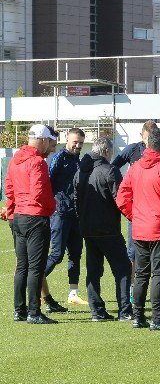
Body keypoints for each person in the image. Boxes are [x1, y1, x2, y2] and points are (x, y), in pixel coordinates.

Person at [116, 128, 160, 331]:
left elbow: (121, 198)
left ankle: (138, 317)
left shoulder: (135, 168)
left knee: (142, 274)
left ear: (147, 145)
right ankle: (157, 319)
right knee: (159, 274)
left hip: (141, 229)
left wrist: (134, 216)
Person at [74, 137, 132, 322]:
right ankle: (125, 310)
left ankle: (97, 311)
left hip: (88, 229)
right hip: (108, 229)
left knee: (93, 270)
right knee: (122, 269)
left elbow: (76, 200)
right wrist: (134, 217)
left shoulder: (80, 172)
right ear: (106, 151)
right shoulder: (110, 170)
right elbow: (121, 200)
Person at [5, 124, 58, 323]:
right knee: (36, 267)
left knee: (22, 267)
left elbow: (9, 190)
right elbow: (39, 193)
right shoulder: (37, 162)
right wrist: (51, 206)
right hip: (35, 217)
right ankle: (34, 312)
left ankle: (20, 310)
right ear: (43, 140)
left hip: (18, 216)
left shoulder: (15, 160)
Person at [40, 127, 86, 313]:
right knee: (57, 254)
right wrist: (53, 206)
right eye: (75, 142)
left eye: (81, 143)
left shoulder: (80, 161)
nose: (77, 145)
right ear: (67, 140)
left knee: (75, 254)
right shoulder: (59, 158)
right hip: (60, 213)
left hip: (76, 214)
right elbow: (48, 182)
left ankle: (73, 293)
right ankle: (36, 282)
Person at [111, 120, 158, 293]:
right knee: (133, 251)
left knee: (157, 252)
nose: (148, 143)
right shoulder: (132, 149)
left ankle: (158, 287)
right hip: (136, 210)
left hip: (155, 210)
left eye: (152, 139)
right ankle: (131, 287)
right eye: (146, 139)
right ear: (141, 136)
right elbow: (112, 167)